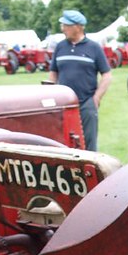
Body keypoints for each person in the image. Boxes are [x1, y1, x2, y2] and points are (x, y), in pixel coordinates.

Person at [49, 9, 112, 151]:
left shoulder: (94, 48)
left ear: (77, 27)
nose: (63, 29)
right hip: (63, 105)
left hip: (86, 104)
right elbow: (53, 73)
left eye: (66, 25)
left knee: (89, 145)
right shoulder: (60, 47)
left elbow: (107, 75)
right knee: (64, 143)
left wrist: (96, 98)